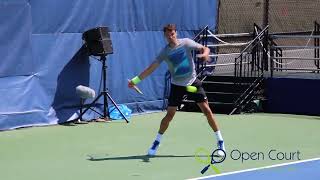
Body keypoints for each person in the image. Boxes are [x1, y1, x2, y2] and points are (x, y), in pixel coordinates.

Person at [128, 24, 225, 156]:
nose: (170, 36)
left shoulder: (186, 43)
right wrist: (135, 81)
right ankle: (156, 142)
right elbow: (151, 69)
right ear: (165, 36)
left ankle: (220, 142)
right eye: (168, 34)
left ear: (176, 33)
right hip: (177, 86)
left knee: (207, 111)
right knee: (169, 115)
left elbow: (205, 48)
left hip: (192, 83)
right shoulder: (165, 52)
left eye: (172, 33)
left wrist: (205, 53)